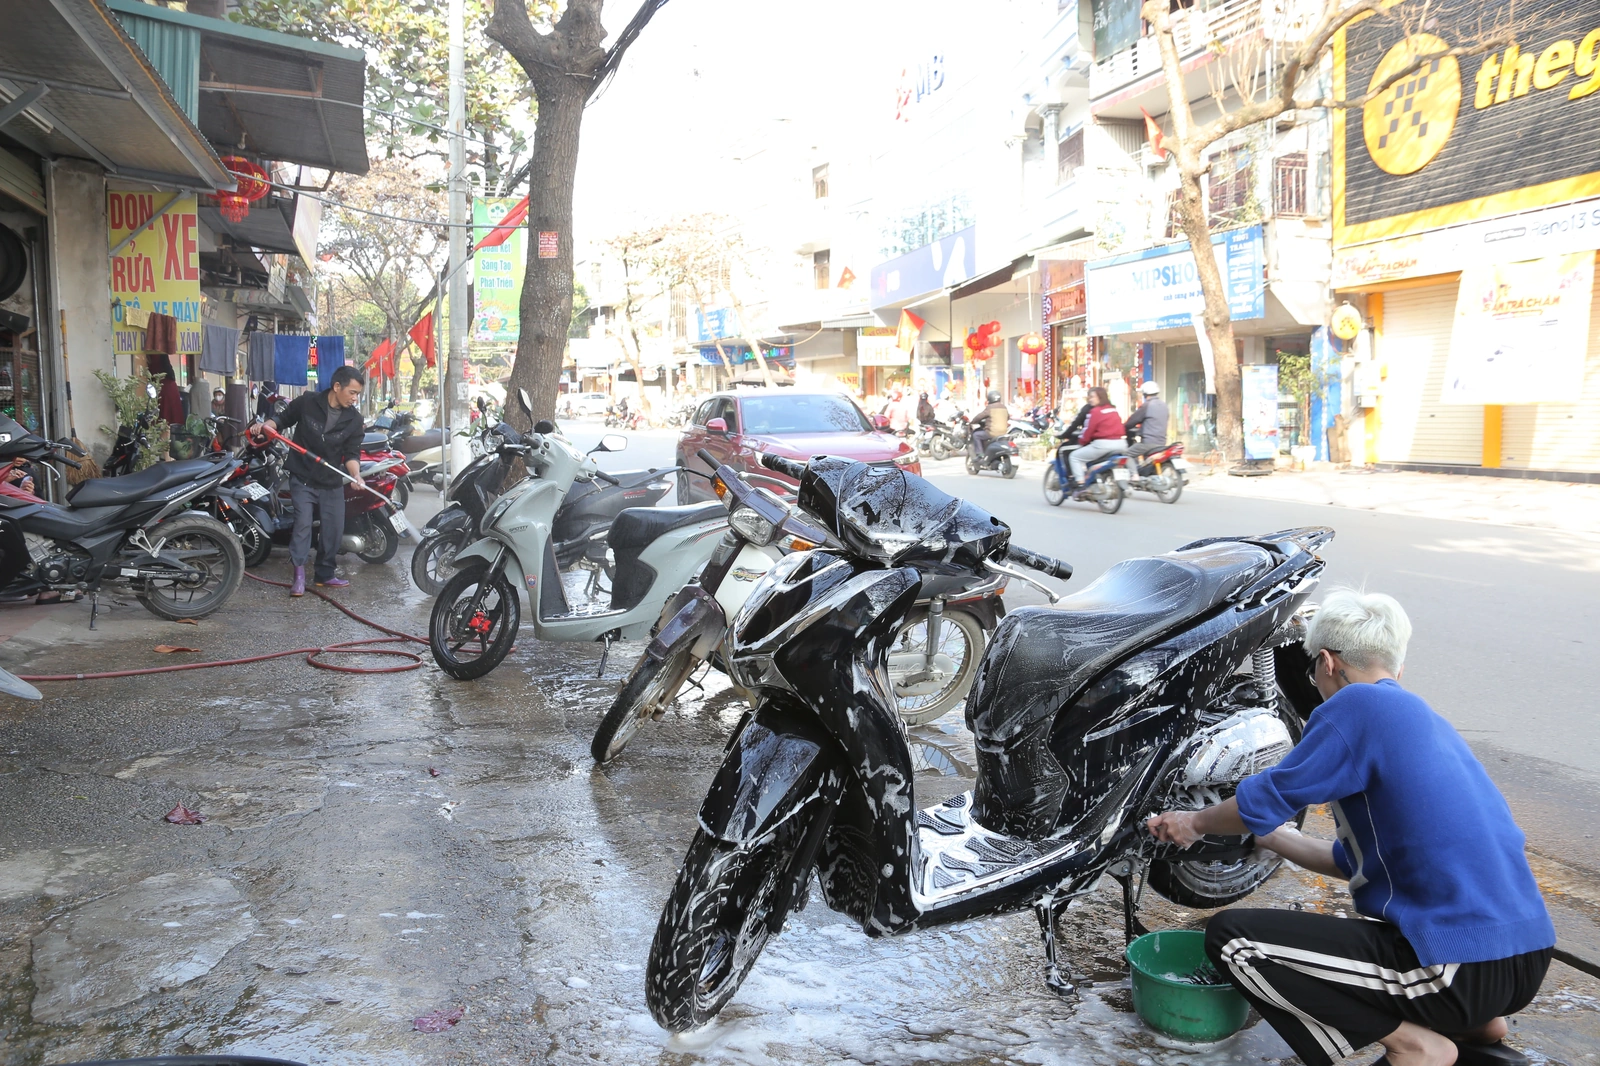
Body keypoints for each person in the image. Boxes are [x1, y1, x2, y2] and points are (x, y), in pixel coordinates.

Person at [1147, 591, 1554, 1066]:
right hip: (1524, 956)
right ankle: (1475, 1024)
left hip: (1454, 965)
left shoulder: (1358, 704)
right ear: (1397, 667)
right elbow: (1352, 862)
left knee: (1234, 941)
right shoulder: (1427, 721)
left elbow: (1268, 796)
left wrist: (1193, 822)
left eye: (1313, 672)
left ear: (1327, 662)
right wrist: (1273, 837)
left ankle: (1416, 1043)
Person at [251, 365, 367, 597]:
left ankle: (325, 574)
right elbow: (282, 419)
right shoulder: (308, 402)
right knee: (303, 524)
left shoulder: (355, 420)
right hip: (302, 476)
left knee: (333, 530)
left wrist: (356, 475)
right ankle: (299, 575)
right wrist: (266, 427)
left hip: (331, 480)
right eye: (352, 392)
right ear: (337, 387)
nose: (355, 398)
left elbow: (352, 454)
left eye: (357, 394)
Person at [1067, 386, 1126, 492]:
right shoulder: (1113, 409)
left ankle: (1080, 483)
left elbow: (1088, 430)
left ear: (1100, 397)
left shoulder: (1095, 411)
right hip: (1121, 444)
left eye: (1092, 397)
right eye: (1089, 397)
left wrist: (1082, 442)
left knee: (1074, 456)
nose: (1090, 400)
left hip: (1103, 445)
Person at [1124, 380, 1169, 457]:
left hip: (1148, 443)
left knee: (1124, 455)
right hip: (1162, 443)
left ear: (1145, 394)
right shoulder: (1164, 405)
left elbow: (1131, 421)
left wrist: (1123, 427)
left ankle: (1133, 466)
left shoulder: (1147, 405)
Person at [970, 388, 1009, 460]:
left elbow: (979, 416)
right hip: (1004, 433)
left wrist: (972, 422)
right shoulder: (1004, 407)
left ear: (990, 399)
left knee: (976, 435)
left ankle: (980, 454)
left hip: (992, 433)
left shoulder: (990, 408)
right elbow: (1008, 417)